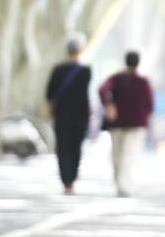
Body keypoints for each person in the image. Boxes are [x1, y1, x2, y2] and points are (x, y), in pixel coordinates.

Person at [99, 51, 154, 197]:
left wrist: (110, 106)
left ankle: (119, 183)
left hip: (117, 123)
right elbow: (150, 104)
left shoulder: (116, 79)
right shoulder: (143, 82)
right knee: (129, 154)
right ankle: (124, 185)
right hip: (136, 124)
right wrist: (147, 119)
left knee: (117, 154)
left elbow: (102, 89)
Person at [45, 32, 92, 195]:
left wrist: (50, 112)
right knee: (76, 147)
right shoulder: (86, 71)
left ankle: (66, 181)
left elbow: (49, 94)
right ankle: (72, 178)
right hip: (80, 115)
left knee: (63, 147)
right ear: (80, 50)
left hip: (61, 115)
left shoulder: (57, 70)